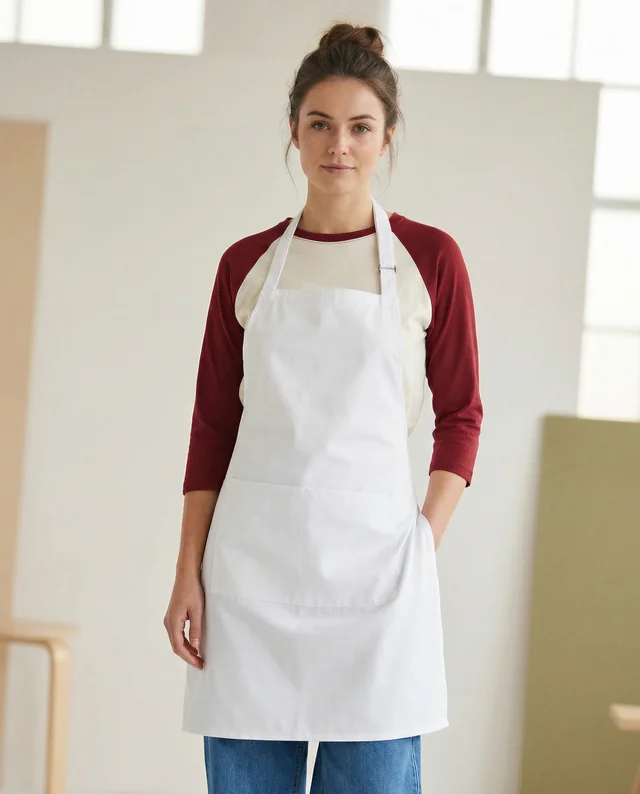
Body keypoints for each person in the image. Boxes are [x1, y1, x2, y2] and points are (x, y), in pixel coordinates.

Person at [164, 21, 483, 794]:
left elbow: (462, 416)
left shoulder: (429, 259)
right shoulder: (246, 264)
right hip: (250, 579)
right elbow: (213, 426)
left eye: (360, 127)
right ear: (294, 132)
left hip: (379, 581)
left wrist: (423, 542)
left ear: (388, 137)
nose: (339, 145)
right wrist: (186, 573)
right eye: (320, 124)